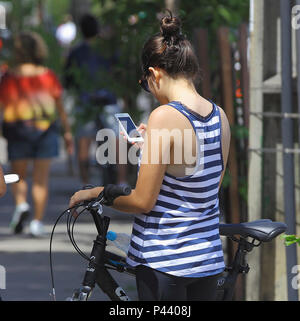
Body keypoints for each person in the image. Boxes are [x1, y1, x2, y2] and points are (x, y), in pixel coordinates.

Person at [69, 11, 231, 301]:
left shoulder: (164, 116)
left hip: (164, 264)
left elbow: (142, 201)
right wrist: (154, 150)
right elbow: (201, 190)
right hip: (207, 263)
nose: (150, 91)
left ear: (155, 74)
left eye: (145, 83)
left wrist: (95, 192)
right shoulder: (219, 116)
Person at [0, 31, 74, 237]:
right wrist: (67, 132)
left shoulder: (9, 77)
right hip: (45, 131)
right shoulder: (47, 75)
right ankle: (37, 222)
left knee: (18, 177)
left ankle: (21, 205)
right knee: (41, 180)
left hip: (16, 130)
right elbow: (59, 106)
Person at [64, 13, 126, 185]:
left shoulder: (76, 52)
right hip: (108, 99)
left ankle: (85, 184)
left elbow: (68, 80)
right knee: (117, 140)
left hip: (85, 101)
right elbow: (119, 71)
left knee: (84, 142)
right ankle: (122, 181)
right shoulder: (107, 49)